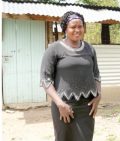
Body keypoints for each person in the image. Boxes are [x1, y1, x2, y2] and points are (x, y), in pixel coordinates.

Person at [40, 11, 101, 141]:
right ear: (65, 29)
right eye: (73, 27)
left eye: (80, 26)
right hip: (64, 107)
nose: (77, 30)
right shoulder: (54, 49)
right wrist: (60, 104)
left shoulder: (90, 49)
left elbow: (96, 74)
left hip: (87, 107)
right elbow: (45, 79)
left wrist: (99, 95)